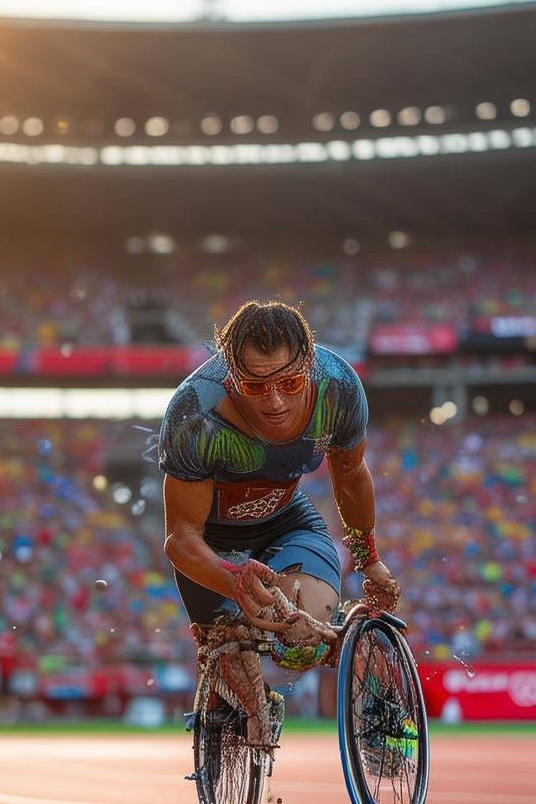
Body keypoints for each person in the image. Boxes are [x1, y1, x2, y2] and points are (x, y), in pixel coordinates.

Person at [158, 300, 399, 743]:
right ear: (229, 372)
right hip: (211, 545)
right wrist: (235, 583)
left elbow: (350, 476)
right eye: (254, 387)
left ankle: (353, 666)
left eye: (289, 382)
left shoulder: (339, 388)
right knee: (234, 658)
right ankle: (251, 703)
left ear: (309, 363)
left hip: (288, 520)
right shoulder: (193, 413)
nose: (274, 402)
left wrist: (369, 560)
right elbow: (180, 539)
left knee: (299, 642)